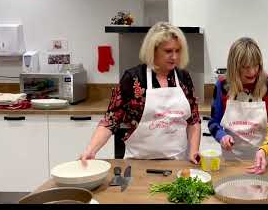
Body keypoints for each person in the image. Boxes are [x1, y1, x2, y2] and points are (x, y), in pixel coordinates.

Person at [80, 22, 201, 163]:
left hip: (177, 161)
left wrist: (193, 151)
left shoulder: (183, 78)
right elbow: (111, 120)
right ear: (153, 50)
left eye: (178, 51)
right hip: (138, 162)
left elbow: (194, 120)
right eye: (168, 51)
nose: (174, 57)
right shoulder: (133, 78)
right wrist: (91, 150)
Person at [209, 37, 268, 174]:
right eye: (246, 67)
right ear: (234, 67)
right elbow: (213, 123)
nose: (252, 71)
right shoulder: (222, 85)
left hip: (266, 160)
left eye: (256, 65)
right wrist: (222, 136)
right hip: (232, 161)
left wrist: (264, 150)